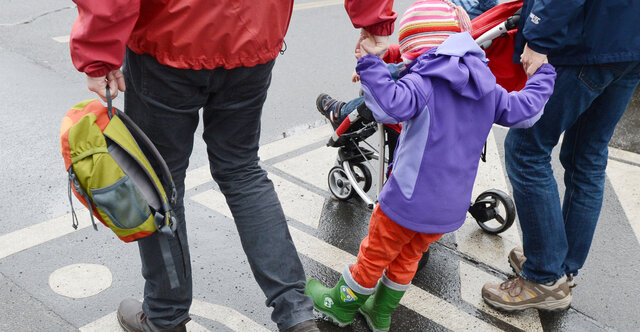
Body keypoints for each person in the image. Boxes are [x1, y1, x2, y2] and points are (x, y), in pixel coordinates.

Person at [68, 0, 396, 331]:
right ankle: (296, 314)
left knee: (158, 184)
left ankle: (165, 315)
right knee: (242, 170)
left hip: (168, 37)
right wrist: (374, 21)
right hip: (254, 33)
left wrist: (98, 55)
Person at [305, 1, 556, 330]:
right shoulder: (490, 91)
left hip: (405, 201)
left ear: (419, 52)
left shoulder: (422, 86)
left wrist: (370, 63)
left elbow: (383, 105)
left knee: (375, 254)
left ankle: (341, 305)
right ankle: (380, 311)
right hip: (448, 210)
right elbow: (528, 110)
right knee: (408, 255)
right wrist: (543, 75)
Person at [481, 0, 640, 312]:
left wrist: (539, 37)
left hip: (591, 37)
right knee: (588, 154)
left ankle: (544, 276)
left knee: (526, 148)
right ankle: (559, 267)